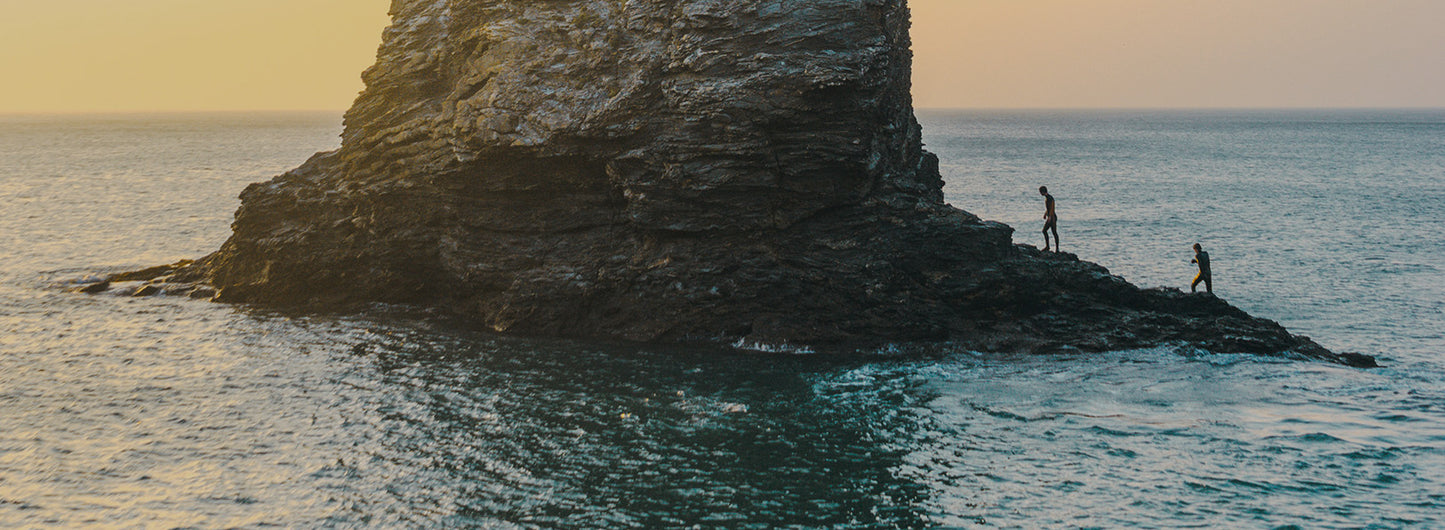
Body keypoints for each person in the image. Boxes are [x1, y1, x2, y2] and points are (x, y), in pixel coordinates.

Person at [1039, 186, 1058, 252]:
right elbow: (1048, 208)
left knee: (1051, 232)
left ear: (1043, 192)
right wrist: (1045, 214)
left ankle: (1053, 248)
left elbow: (1052, 208)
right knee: (1050, 232)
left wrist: (1050, 217)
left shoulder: (1050, 198)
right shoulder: (1047, 198)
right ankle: (1049, 247)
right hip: (1051, 217)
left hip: (1052, 218)